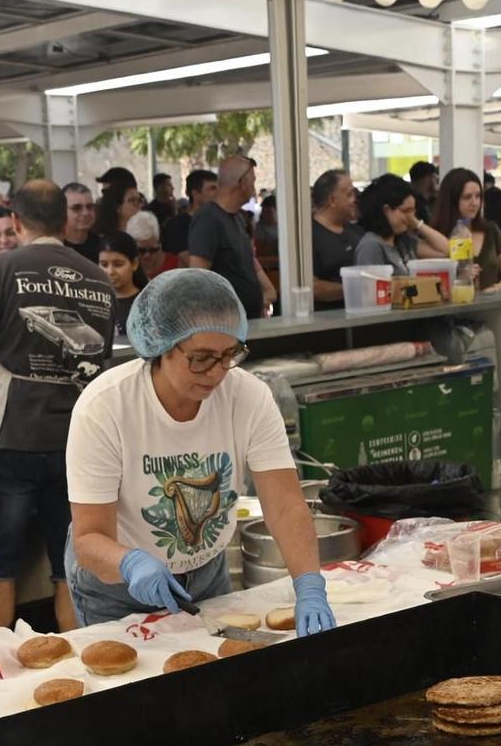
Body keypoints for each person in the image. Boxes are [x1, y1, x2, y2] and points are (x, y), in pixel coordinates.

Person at [65, 269, 336, 634]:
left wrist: (308, 585)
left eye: (229, 354)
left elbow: (285, 506)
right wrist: (132, 565)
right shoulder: (106, 407)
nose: (217, 372)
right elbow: (88, 539)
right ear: (161, 345)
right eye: (201, 357)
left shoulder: (249, 398)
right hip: (118, 587)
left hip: (207, 575)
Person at [0, 180, 116, 633]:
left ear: (17, 221)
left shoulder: (1, 268)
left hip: (13, 438)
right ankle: (81, 669)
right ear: (65, 221)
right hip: (79, 442)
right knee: (72, 567)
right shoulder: (98, 277)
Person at [186, 155, 275, 319]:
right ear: (243, 183)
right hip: (227, 325)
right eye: (253, 181)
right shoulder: (209, 219)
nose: (255, 188)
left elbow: (247, 258)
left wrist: (267, 288)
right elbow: (198, 277)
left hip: (249, 319)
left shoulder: (237, 217)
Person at [428, 168, 501, 295]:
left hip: (489, 309)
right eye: (467, 197)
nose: (474, 203)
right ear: (452, 200)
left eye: (478, 196)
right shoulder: (437, 236)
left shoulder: (490, 230)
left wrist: (495, 289)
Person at [352, 173, 451, 274]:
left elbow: (445, 251)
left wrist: (417, 224)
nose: (411, 216)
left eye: (413, 211)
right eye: (406, 211)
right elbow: (371, 286)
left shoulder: (402, 241)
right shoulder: (371, 246)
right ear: (387, 210)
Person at [308, 169, 363, 309]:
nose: (355, 199)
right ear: (332, 200)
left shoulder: (358, 232)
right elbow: (312, 287)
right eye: (349, 194)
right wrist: (358, 287)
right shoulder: (307, 237)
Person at [98, 230, 144, 339]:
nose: (110, 271)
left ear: (134, 264)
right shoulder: (94, 300)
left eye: (118, 264)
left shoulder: (146, 302)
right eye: (104, 265)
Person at [163, 169, 216, 259]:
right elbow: (188, 260)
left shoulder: (219, 222)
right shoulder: (177, 225)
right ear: (195, 194)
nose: (217, 193)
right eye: (212, 188)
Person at [62, 182, 100, 262]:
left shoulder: (102, 246)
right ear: (62, 211)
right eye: (77, 208)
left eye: (89, 207)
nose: (85, 213)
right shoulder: (55, 246)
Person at [125, 210, 166, 284]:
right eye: (141, 250)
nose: (147, 255)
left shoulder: (175, 265)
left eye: (153, 250)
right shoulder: (123, 269)